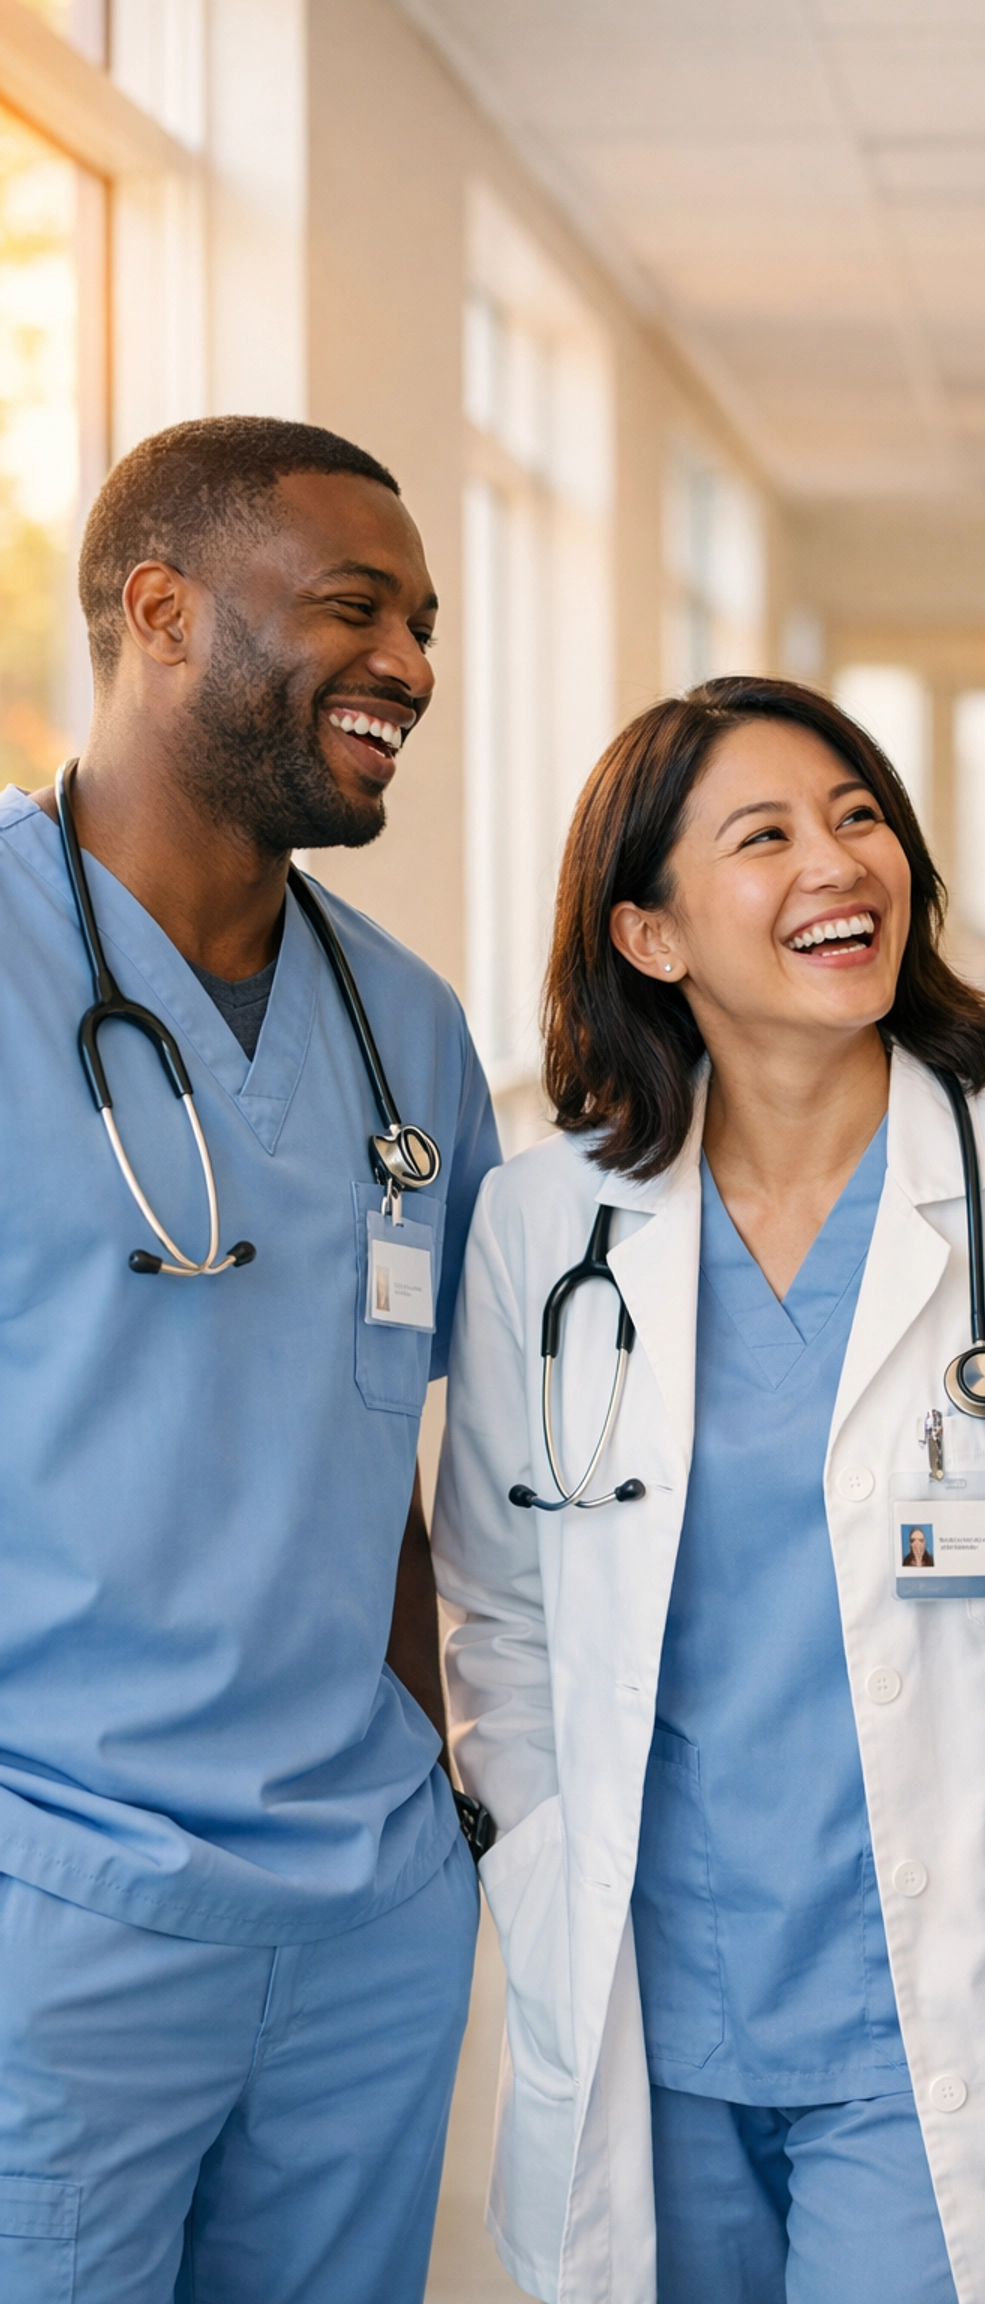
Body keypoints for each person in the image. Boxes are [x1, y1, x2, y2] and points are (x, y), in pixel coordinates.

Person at [432, 675, 985, 2304]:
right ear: (650, 936)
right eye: (765, 836)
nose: (842, 862)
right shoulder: (546, 1231)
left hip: (941, 2001)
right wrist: (544, 1854)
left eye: (858, 818)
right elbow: (498, 1605)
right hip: (651, 2001)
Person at [0, 417, 502, 2303]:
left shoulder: (406, 1033)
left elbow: (394, 1471)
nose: (412, 668)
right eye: (355, 611)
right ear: (160, 612)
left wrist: (443, 1804)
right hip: (59, 1900)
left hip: (363, 1911)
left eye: (426, 626)